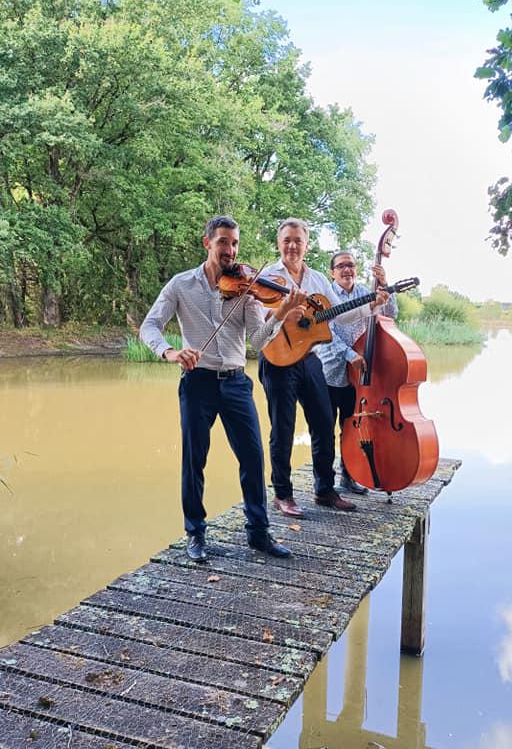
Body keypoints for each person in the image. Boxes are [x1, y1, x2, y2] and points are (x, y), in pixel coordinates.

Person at [139, 215, 302, 563]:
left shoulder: (246, 289)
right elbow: (149, 326)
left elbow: (257, 341)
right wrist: (169, 351)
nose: (231, 250)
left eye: (235, 243)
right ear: (207, 243)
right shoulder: (181, 285)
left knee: (253, 459)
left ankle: (259, 534)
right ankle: (195, 533)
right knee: (194, 460)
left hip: (236, 383)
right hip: (197, 383)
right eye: (224, 242)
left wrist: (280, 314)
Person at [258, 219, 388, 518]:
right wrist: (283, 313)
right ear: (279, 244)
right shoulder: (268, 277)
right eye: (287, 240)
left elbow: (334, 319)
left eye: (298, 241)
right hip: (277, 359)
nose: (292, 245)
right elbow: (258, 320)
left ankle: (325, 490)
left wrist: (372, 304)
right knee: (283, 428)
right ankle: (283, 494)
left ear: (307, 245)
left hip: (309, 360)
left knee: (323, 423)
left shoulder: (317, 279)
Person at [315, 251, 398, 495]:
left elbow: (390, 315)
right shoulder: (325, 297)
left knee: (351, 429)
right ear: (332, 272)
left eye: (350, 265)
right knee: (324, 432)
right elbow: (326, 333)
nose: (346, 270)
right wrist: (351, 356)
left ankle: (348, 477)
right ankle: (324, 485)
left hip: (359, 379)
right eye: (341, 266)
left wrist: (384, 285)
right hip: (329, 371)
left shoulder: (365, 292)